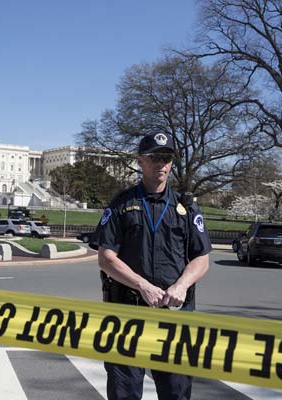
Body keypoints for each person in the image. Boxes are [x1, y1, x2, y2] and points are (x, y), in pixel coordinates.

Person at [96, 132, 212, 400]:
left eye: (166, 158)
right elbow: (106, 257)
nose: (161, 164)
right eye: (154, 158)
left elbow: (201, 258)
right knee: (124, 393)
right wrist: (143, 286)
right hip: (128, 314)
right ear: (141, 161)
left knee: (176, 393)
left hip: (174, 316)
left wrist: (182, 285)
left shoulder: (186, 207)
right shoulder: (122, 203)